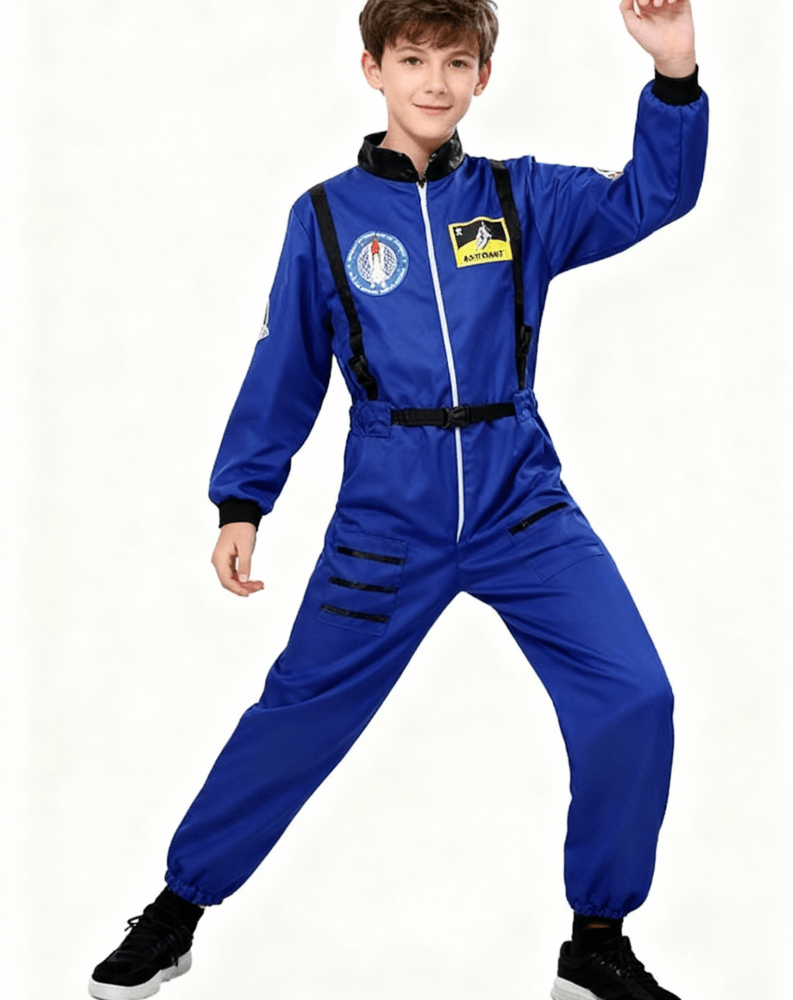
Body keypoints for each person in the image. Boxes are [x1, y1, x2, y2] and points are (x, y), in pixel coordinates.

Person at [88, 0, 708, 998]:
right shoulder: (326, 218)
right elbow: (286, 369)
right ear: (372, 68)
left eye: (455, 63)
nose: (433, 81)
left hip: (520, 503)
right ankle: (176, 909)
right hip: (388, 514)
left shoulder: (518, 197)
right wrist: (243, 501)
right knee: (300, 711)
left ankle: (595, 940)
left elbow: (653, 194)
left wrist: (673, 74)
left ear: (482, 79)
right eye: (412, 59)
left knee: (635, 693)